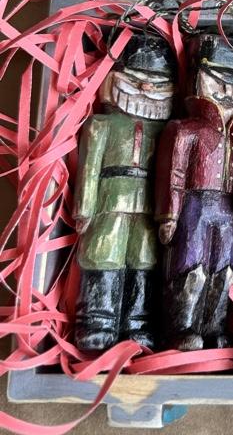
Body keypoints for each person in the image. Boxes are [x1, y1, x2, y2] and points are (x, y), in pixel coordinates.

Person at [73, 33, 175, 351]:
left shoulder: (165, 131)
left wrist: (165, 214)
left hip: (147, 206)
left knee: (144, 258)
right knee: (103, 253)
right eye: (134, 79)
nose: (146, 88)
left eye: (158, 83)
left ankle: (137, 322)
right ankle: (97, 319)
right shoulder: (101, 125)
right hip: (109, 200)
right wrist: (84, 208)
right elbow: (89, 169)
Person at [155, 34, 233, 351]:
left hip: (227, 208)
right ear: (196, 78)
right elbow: (174, 175)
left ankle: (215, 325)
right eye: (217, 81)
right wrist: (169, 214)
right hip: (194, 205)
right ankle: (182, 326)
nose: (227, 91)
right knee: (190, 265)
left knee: (224, 267)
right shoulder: (183, 129)